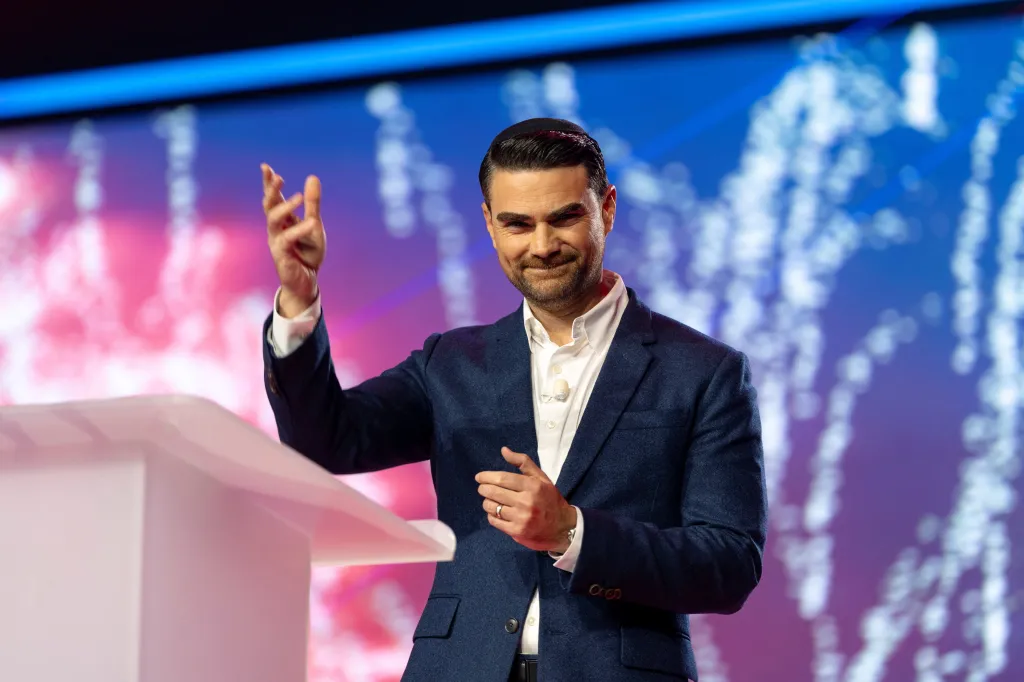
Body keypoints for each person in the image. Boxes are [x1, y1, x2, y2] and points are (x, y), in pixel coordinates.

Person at [260, 118, 768, 682]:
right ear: (489, 224)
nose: (542, 245)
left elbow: (729, 564)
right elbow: (325, 440)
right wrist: (298, 299)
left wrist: (573, 533)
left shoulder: (705, 371)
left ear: (608, 209)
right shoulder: (450, 363)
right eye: (518, 224)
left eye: (565, 217)